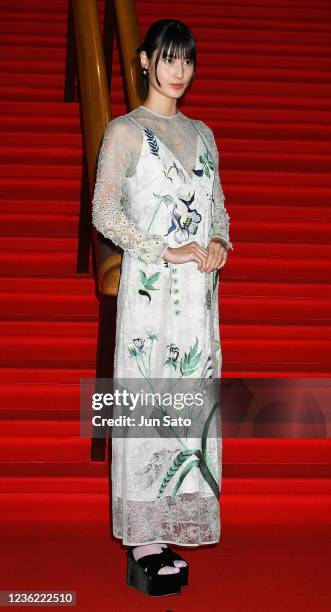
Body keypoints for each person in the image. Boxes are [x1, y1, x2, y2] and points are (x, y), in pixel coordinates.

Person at [92, 18, 233, 597]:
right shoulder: (123, 132)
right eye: (168, 59)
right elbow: (104, 212)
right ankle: (144, 542)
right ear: (145, 61)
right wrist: (162, 248)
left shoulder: (203, 134)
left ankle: (171, 521)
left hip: (197, 301)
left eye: (188, 61)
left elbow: (219, 207)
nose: (179, 71)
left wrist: (220, 243)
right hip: (150, 299)